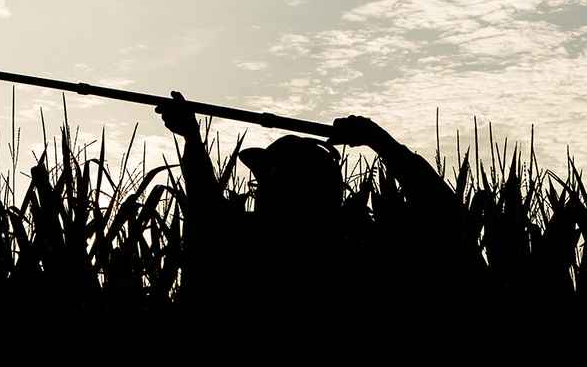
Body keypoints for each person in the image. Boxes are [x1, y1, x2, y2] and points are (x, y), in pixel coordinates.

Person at [155, 91, 464, 330]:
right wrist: (378, 140)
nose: (257, 194)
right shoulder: (361, 272)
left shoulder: (252, 260)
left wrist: (192, 137)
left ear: (282, 197)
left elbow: (208, 212)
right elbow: (442, 212)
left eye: (264, 186)